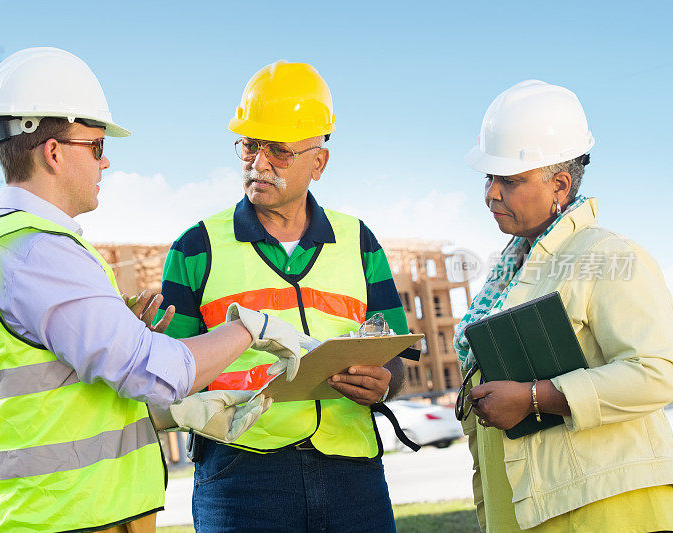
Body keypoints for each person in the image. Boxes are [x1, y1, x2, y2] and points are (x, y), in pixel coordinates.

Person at [0, 47, 313, 533]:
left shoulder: (1, 246)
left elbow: (53, 394)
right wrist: (249, 328)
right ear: (54, 153)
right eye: (96, 146)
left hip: (49, 514)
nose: (106, 161)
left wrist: (121, 336)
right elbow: (153, 373)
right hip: (64, 517)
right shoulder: (40, 253)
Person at [157, 60, 409, 532]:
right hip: (240, 476)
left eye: (279, 150)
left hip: (351, 470)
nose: (259, 163)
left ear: (319, 160)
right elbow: (173, 373)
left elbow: (395, 356)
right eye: (250, 146)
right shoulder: (195, 247)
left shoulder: (359, 242)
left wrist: (384, 381)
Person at [454, 79, 673, 531]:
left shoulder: (607, 255)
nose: (491, 194)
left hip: (602, 507)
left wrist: (537, 398)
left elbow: (657, 371)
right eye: (489, 178)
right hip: (526, 504)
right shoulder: (511, 270)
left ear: (559, 185)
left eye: (509, 180)